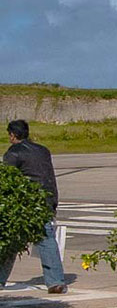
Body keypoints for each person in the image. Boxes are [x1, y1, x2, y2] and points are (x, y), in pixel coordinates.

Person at [0, 120, 67, 293]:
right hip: (47, 199)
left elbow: (7, 179)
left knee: (11, 241)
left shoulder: (14, 153)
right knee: (46, 239)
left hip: (27, 203)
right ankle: (56, 281)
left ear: (13, 135)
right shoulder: (43, 150)